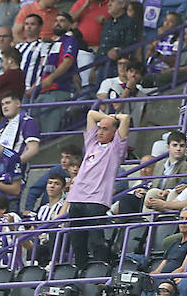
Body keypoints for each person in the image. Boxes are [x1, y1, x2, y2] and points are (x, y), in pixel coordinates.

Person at [67, 109, 131, 267]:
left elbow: (126, 118)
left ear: (114, 132)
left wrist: (114, 118)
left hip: (96, 200)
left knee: (96, 240)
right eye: (99, 128)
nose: (100, 132)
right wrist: (107, 119)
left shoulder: (115, 149)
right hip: (76, 199)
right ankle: (81, 272)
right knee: (77, 242)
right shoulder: (91, 144)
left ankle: (102, 269)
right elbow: (90, 114)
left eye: (105, 129)